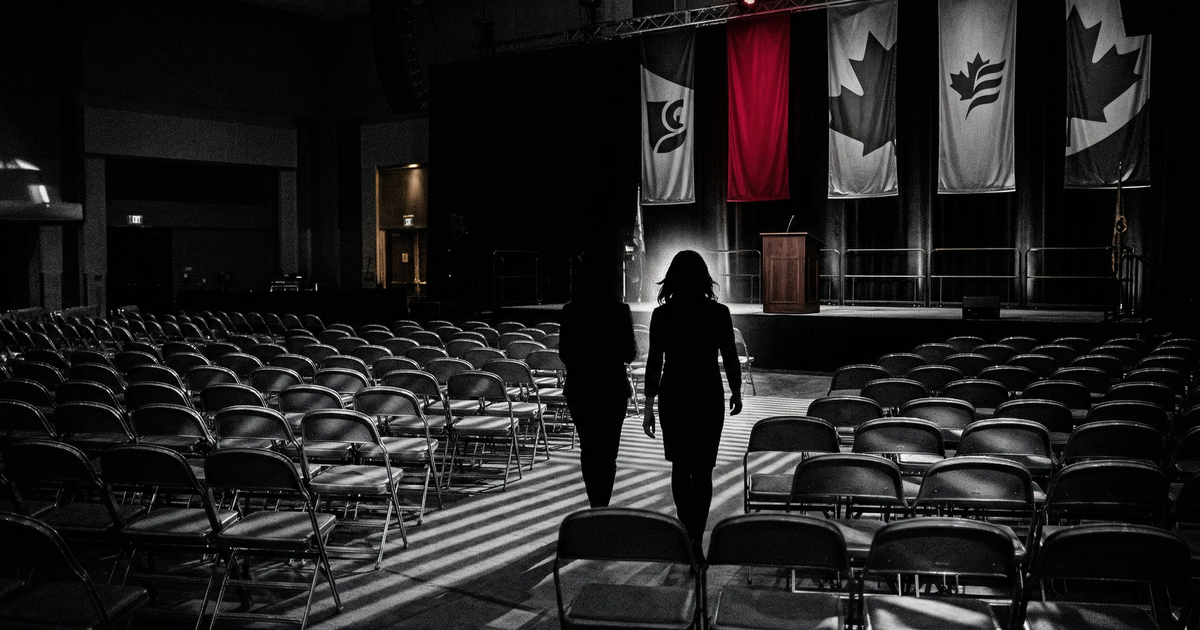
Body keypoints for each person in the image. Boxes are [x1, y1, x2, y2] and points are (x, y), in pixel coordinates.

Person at [642, 250, 742, 559]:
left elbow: (654, 361)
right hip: (707, 396)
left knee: (679, 467)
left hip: (674, 396)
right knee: (703, 471)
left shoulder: (662, 315)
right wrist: (736, 391)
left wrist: (648, 404)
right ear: (704, 279)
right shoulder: (718, 313)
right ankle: (697, 537)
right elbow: (729, 356)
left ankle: (687, 531)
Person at [559, 255, 638, 508]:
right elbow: (630, 354)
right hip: (612, 389)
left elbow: (564, 353)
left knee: (588, 449)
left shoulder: (570, 311)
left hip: (581, 388)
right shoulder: (620, 311)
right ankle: (602, 504)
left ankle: (595, 504)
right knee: (608, 452)